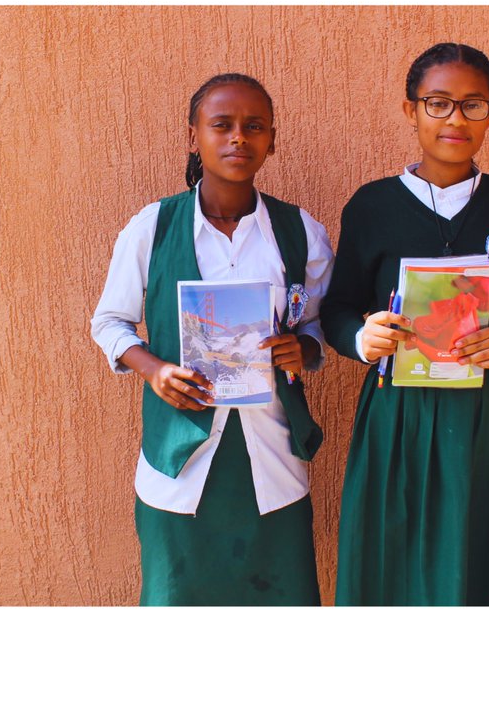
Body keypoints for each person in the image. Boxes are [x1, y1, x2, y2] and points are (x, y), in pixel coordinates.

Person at [320, 43, 489, 605]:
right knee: (391, 546)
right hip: (396, 410)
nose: (456, 118)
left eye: (473, 104)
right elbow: (336, 308)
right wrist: (362, 337)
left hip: (486, 413)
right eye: (438, 103)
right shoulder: (372, 206)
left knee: (479, 544)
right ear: (411, 111)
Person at [91, 73, 333, 606]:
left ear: (273, 138)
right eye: (221, 125)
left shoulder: (300, 232)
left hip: (273, 464)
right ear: (193, 135)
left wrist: (306, 349)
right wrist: (154, 369)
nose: (238, 138)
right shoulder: (153, 227)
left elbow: (318, 324)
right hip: (179, 466)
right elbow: (109, 322)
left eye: (255, 127)